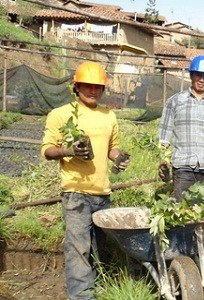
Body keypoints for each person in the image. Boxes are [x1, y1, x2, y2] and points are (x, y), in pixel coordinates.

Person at [40, 61, 129, 300]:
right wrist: (68, 151)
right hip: (75, 193)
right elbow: (48, 150)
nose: (92, 90)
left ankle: (100, 292)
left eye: (97, 86)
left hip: (102, 193)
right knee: (79, 248)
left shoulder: (109, 115)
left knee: (101, 250)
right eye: (87, 86)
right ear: (76, 87)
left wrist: (119, 157)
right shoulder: (60, 115)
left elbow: (112, 148)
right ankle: (81, 297)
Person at [157, 55, 204, 201]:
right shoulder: (175, 101)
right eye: (198, 75)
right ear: (191, 75)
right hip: (183, 166)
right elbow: (164, 134)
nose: (201, 79)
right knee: (183, 209)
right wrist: (163, 161)